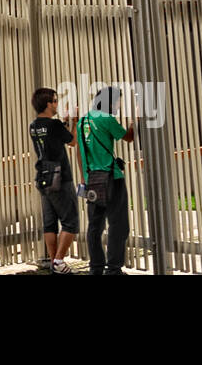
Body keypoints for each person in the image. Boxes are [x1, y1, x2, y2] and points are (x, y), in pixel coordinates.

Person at [78, 85, 135, 276]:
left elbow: (80, 151)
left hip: (92, 179)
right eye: (118, 101)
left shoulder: (83, 120)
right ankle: (113, 269)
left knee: (95, 225)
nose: (119, 105)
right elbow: (128, 137)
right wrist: (135, 123)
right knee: (118, 225)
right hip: (111, 178)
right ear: (110, 102)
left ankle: (96, 268)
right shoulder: (106, 118)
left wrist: (84, 177)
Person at [29, 87, 78, 273]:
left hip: (43, 176)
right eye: (55, 101)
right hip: (61, 177)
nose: (57, 104)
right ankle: (58, 261)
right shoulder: (54, 125)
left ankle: (54, 263)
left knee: (50, 223)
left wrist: (64, 122)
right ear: (48, 103)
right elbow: (72, 141)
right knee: (70, 222)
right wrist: (75, 121)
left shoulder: (34, 126)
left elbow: (53, 137)